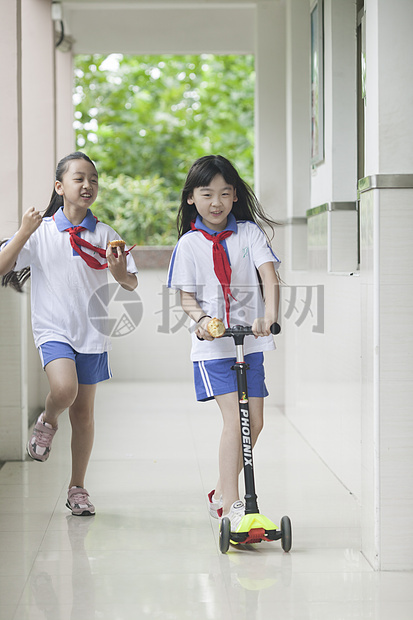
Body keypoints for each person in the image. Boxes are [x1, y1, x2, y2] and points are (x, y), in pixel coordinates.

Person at [0, 152, 138, 516]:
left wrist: (120, 270)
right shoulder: (41, 232)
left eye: (93, 179)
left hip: (92, 333)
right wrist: (23, 232)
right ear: (60, 187)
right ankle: (47, 421)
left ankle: (77, 487)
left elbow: (129, 283)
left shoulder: (105, 234)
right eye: (79, 178)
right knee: (63, 390)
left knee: (84, 415)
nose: (88, 185)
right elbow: (2, 266)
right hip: (53, 329)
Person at [167, 154, 281, 531]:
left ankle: (219, 490)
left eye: (224, 193)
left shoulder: (249, 233)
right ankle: (232, 503)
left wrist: (269, 316)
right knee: (236, 420)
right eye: (207, 193)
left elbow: (270, 278)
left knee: (256, 421)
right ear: (191, 199)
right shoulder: (189, 245)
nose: (216, 202)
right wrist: (201, 322)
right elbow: (186, 298)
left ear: (235, 197)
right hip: (213, 348)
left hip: (251, 342)